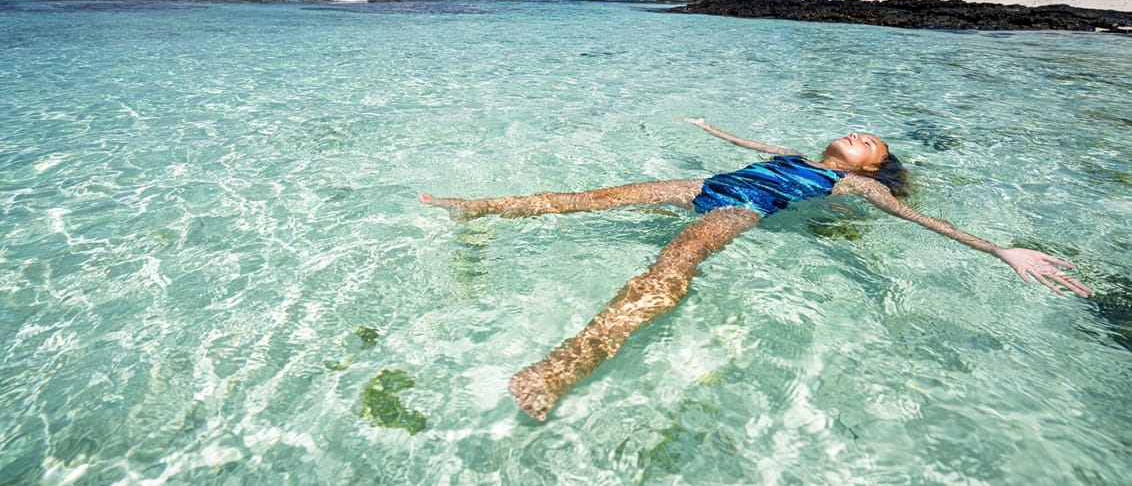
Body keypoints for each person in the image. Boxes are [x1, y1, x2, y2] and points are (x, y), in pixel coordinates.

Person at [419, 118, 1092, 421]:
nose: (858, 135)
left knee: (671, 265)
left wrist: (999, 250)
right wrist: (713, 130)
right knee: (592, 197)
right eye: (858, 131)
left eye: (869, 142)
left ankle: (562, 367)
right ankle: (475, 208)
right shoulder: (799, 153)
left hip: (742, 207)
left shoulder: (857, 186)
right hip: (706, 183)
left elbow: (920, 219)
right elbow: (753, 143)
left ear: (869, 166)